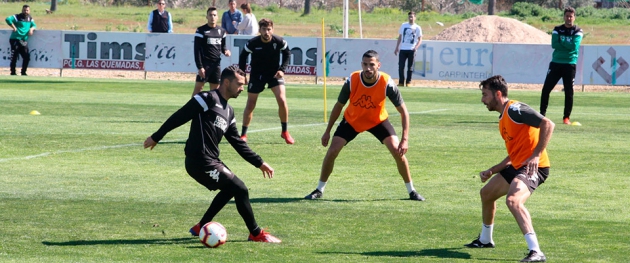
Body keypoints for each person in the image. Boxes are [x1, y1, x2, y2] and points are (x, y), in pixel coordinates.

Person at [143, 65, 281, 243]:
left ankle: (202, 225)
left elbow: (237, 142)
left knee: (231, 188)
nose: (242, 88)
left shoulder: (229, 112)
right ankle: (255, 233)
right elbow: (180, 116)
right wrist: (156, 136)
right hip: (199, 161)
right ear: (226, 82)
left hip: (211, 160)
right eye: (239, 84)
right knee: (240, 188)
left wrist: (259, 162)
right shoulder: (206, 99)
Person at [304, 50, 425, 202]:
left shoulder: (387, 82)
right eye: (365, 64)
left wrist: (405, 139)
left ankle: (412, 191)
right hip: (353, 120)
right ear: (361, 64)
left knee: (397, 151)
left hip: (377, 121)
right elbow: (338, 105)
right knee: (332, 150)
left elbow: (404, 112)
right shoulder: (352, 80)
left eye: (372, 65)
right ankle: (319, 189)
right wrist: (327, 131)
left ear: (378, 66)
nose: (368, 68)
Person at [466, 75, 555, 263]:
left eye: (485, 95)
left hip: (535, 167)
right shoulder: (503, 118)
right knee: (487, 194)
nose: (482, 100)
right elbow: (514, 153)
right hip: (518, 165)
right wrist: (493, 170)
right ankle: (485, 239)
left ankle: (536, 251)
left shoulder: (515, 109)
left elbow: (548, 124)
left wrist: (537, 155)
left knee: (513, 200)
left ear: (498, 94)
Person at [238, 18, 294, 144]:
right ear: (260, 30)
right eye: (264, 29)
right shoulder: (253, 43)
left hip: (274, 75)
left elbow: (287, 53)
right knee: (251, 104)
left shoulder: (278, 41)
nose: (267, 32)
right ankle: (243, 134)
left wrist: (282, 70)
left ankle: (285, 132)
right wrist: (243, 75)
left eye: (269, 29)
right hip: (257, 75)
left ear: (272, 30)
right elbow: (243, 56)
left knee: (282, 100)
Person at [539, 6, 583, 125]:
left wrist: (561, 42)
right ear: (564, 17)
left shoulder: (578, 31)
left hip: (570, 64)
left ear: (574, 17)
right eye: (567, 16)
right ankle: (541, 115)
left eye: (571, 16)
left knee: (569, 92)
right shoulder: (557, 29)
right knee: (546, 89)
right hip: (556, 63)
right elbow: (554, 44)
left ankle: (566, 117)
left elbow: (574, 47)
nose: (569, 18)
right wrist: (567, 43)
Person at [192, 6, 231, 96]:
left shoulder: (221, 31)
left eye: (214, 15)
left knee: (216, 90)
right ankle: (192, 109)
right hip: (205, 64)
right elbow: (196, 50)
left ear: (217, 17)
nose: (212, 17)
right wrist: (200, 67)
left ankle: (213, 109)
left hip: (216, 65)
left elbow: (223, 47)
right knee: (199, 88)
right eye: (210, 15)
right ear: (207, 17)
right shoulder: (201, 30)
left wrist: (226, 51)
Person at [5, 5, 36, 76]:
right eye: (24, 10)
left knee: (27, 57)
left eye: (27, 10)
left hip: (23, 40)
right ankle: (13, 72)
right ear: (22, 10)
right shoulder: (17, 17)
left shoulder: (29, 18)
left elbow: (34, 25)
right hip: (15, 39)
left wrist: (31, 29)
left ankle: (23, 72)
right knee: (14, 56)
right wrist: (14, 27)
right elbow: (7, 19)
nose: (26, 12)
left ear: (29, 11)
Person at [393, 11, 422, 87]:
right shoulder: (403, 25)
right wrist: (397, 47)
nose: (411, 18)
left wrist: (416, 47)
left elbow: (420, 39)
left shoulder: (417, 27)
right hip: (403, 49)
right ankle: (401, 82)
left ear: (415, 18)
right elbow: (400, 37)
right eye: (409, 17)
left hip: (411, 49)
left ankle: (408, 82)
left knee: (410, 67)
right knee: (401, 66)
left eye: (412, 17)